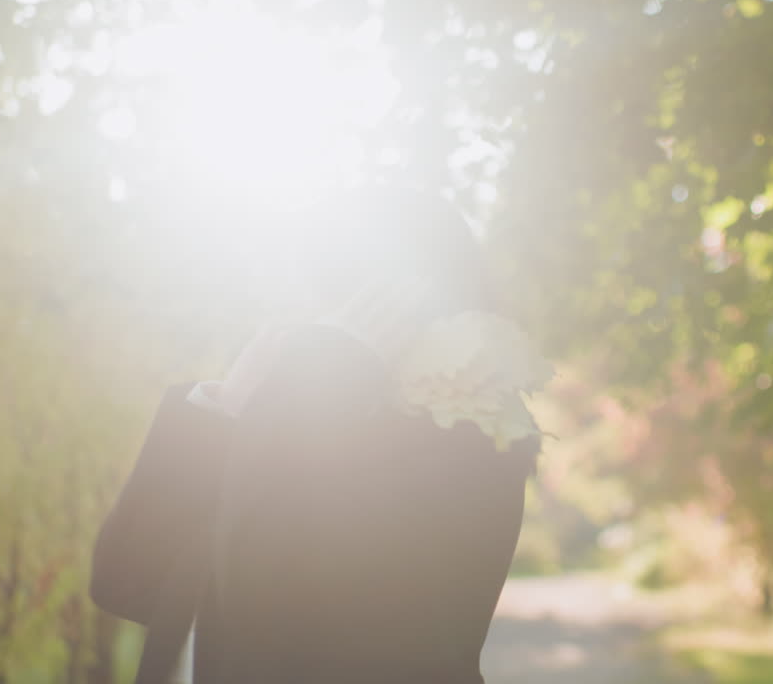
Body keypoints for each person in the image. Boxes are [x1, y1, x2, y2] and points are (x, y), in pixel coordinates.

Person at [89, 186, 551, 684]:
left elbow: (270, 604)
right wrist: (222, 411)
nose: (291, 321)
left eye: (316, 287)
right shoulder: (279, 414)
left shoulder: (465, 423)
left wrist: (302, 394)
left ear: (393, 295)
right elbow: (127, 582)